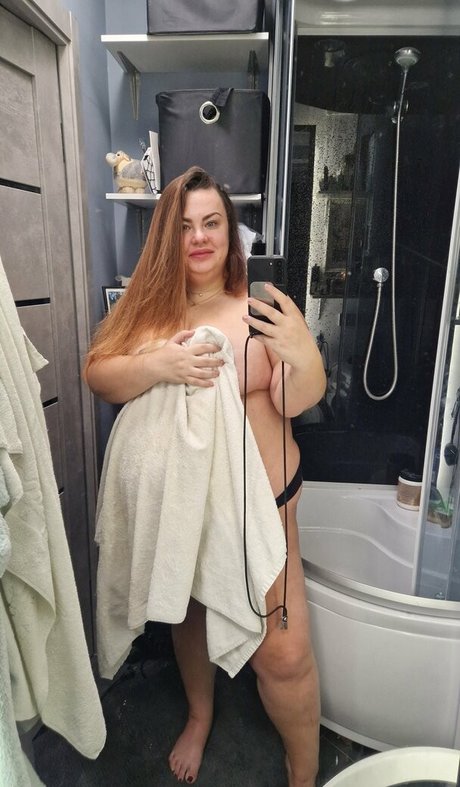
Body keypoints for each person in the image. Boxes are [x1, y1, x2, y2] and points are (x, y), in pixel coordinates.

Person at [84, 166, 326, 787]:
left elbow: (294, 399)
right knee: (189, 612)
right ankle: (200, 713)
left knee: (284, 655)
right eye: (185, 226)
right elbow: (99, 373)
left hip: (264, 506)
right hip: (189, 505)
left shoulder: (260, 309)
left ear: (229, 231)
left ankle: (303, 775)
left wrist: (304, 354)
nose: (199, 237)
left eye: (211, 222)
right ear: (169, 236)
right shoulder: (148, 311)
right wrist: (160, 363)